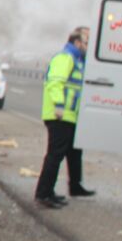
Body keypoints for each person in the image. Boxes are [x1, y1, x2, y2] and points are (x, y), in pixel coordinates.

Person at [34, 27, 96, 208]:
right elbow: (55, 83)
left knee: (74, 152)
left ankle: (74, 186)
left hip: (70, 116)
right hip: (59, 115)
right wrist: (59, 106)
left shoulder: (77, 60)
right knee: (55, 155)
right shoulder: (65, 57)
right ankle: (43, 194)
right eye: (86, 43)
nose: (88, 46)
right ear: (77, 42)